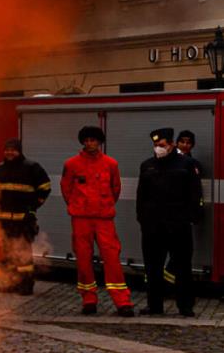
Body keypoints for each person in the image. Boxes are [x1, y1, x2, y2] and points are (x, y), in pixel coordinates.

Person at [60, 125, 134, 316]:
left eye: (93, 140)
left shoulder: (111, 164)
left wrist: (104, 206)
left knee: (112, 258)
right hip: (81, 218)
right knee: (83, 260)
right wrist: (78, 206)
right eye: (87, 140)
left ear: (99, 142)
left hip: (103, 218)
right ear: (83, 142)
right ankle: (89, 299)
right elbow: (66, 189)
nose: (90, 143)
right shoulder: (71, 164)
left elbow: (115, 188)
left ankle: (122, 301)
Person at [136, 126, 202, 317]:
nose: (159, 148)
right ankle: (154, 305)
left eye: (162, 145)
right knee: (152, 268)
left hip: (178, 225)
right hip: (152, 227)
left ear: (171, 144)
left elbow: (194, 193)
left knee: (182, 267)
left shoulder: (186, 164)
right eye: (156, 145)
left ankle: (185, 306)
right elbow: (142, 196)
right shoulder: (147, 165)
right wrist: (142, 219)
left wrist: (191, 217)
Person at [0, 138, 51, 294]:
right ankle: (13, 282)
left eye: (13, 150)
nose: (10, 152)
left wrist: (33, 207)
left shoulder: (32, 168)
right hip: (4, 219)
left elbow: (45, 187)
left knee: (23, 254)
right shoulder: (0, 169)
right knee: (9, 253)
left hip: (23, 219)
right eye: (7, 150)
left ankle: (26, 284)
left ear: (20, 151)